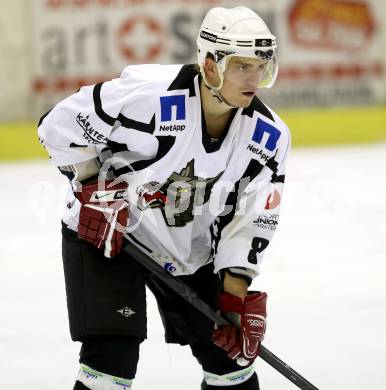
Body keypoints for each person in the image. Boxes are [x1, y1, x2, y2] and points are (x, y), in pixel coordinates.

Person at [38, 6, 290, 390]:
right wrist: (91, 186)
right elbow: (59, 124)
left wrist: (235, 300)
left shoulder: (269, 137)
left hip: (186, 247)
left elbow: (253, 218)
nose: (255, 78)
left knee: (231, 364)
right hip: (110, 236)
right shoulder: (148, 95)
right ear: (209, 65)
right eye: (242, 66)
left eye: (262, 66)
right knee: (111, 362)